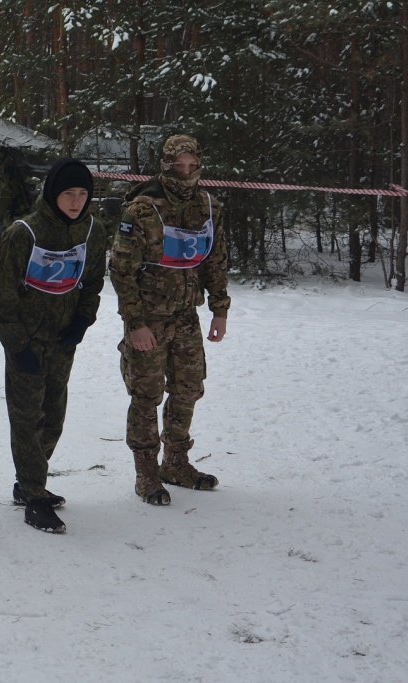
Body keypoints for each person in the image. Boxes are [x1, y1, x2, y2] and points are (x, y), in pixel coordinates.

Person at [0, 158, 107, 533]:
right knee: (27, 419)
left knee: (53, 417)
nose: (76, 201)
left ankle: (28, 482)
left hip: (63, 341)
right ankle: (34, 497)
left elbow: (93, 280)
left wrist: (83, 320)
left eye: (82, 194)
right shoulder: (23, 233)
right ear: (53, 194)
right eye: (68, 193)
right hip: (26, 341)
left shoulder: (92, 230)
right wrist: (17, 345)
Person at [109, 134, 230, 506]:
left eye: (192, 165)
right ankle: (146, 472)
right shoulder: (142, 210)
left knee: (188, 388)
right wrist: (135, 323)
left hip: (187, 315)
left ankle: (176, 462)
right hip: (149, 318)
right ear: (165, 165)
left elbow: (215, 260)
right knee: (146, 394)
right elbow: (121, 271)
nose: (186, 172)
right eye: (178, 165)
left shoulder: (208, 207)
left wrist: (220, 309)